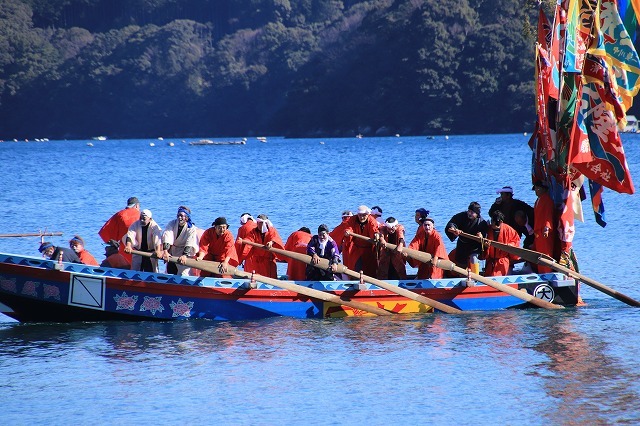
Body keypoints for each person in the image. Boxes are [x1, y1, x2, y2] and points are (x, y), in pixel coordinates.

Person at [237, 214, 284, 278]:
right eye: (258, 223)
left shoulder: (271, 230)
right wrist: (243, 241)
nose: (258, 224)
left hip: (268, 262)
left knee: (270, 279)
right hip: (256, 263)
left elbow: (275, 238)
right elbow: (249, 239)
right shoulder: (253, 231)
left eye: (261, 223)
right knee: (256, 277)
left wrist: (271, 242)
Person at [445, 202, 488, 271]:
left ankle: (476, 277)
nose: (469, 213)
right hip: (462, 243)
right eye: (469, 211)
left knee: (473, 258)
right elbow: (452, 223)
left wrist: (481, 237)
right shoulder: (461, 216)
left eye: (472, 212)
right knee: (460, 262)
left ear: (477, 214)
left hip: (474, 245)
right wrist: (454, 229)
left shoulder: (482, 222)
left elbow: (485, 237)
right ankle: (461, 277)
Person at [98, 196, 140, 264]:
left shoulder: (120, 214)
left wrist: (114, 245)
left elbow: (105, 232)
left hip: (124, 251)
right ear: (137, 206)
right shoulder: (142, 216)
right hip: (139, 252)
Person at [480, 210, 521, 276]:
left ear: (501, 222)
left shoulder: (508, 230)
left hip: (502, 262)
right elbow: (482, 241)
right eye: (492, 221)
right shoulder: (488, 229)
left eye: (494, 223)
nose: (492, 224)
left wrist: (510, 245)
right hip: (490, 262)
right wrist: (485, 245)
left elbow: (516, 240)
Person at [161, 206, 198, 275]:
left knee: (184, 273)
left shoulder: (191, 228)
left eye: (181, 216)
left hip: (184, 251)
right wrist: (165, 251)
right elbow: (167, 235)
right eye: (178, 215)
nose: (179, 218)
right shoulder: (172, 223)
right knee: (170, 271)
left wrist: (185, 255)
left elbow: (190, 242)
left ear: (186, 217)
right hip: (173, 250)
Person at [344, 205, 380, 276]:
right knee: (356, 267)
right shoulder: (352, 219)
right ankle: (356, 280)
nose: (362, 217)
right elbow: (349, 227)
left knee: (370, 269)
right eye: (360, 215)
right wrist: (347, 232)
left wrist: (376, 235)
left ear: (367, 215)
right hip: (356, 249)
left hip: (369, 249)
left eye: (364, 215)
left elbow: (374, 230)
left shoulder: (372, 221)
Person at [532, 180, 556, 273]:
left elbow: (548, 214)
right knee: (539, 253)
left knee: (546, 252)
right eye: (536, 189)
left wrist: (547, 227)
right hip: (537, 230)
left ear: (543, 189)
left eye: (538, 188)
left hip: (543, 230)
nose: (536, 191)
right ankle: (541, 271)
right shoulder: (538, 200)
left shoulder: (547, 200)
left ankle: (547, 271)